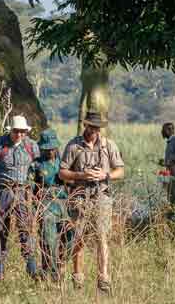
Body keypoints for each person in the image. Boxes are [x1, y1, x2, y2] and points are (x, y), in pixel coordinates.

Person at [59, 111, 124, 293]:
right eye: (91, 126)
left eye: (97, 127)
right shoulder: (73, 146)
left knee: (102, 237)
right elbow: (62, 173)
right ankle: (78, 278)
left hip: (102, 196)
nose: (94, 130)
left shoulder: (108, 145)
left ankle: (103, 279)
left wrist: (106, 175)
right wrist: (81, 175)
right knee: (78, 237)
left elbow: (121, 171)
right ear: (85, 125)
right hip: (79, 196)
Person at [0, 115, 40, 281]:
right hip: (2, 191)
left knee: (26, 229)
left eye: (23, 132)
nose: (19, 135)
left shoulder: (31, 146)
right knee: (0, 229)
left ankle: (32, 269)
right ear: (11, 130)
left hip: (23, 192)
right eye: (16, 131)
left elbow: (38, 169)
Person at [29, 129, 72, 282]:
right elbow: (30, 189)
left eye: (52, 148)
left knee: (71, 237)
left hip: (63, 204)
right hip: (45, 205)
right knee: (49, 240)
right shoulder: (36, 165)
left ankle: (61, 265)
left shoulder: (63, 163)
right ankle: (52, 275)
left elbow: (72, 182)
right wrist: (34, 208)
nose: (50, 151)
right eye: (46, 149)